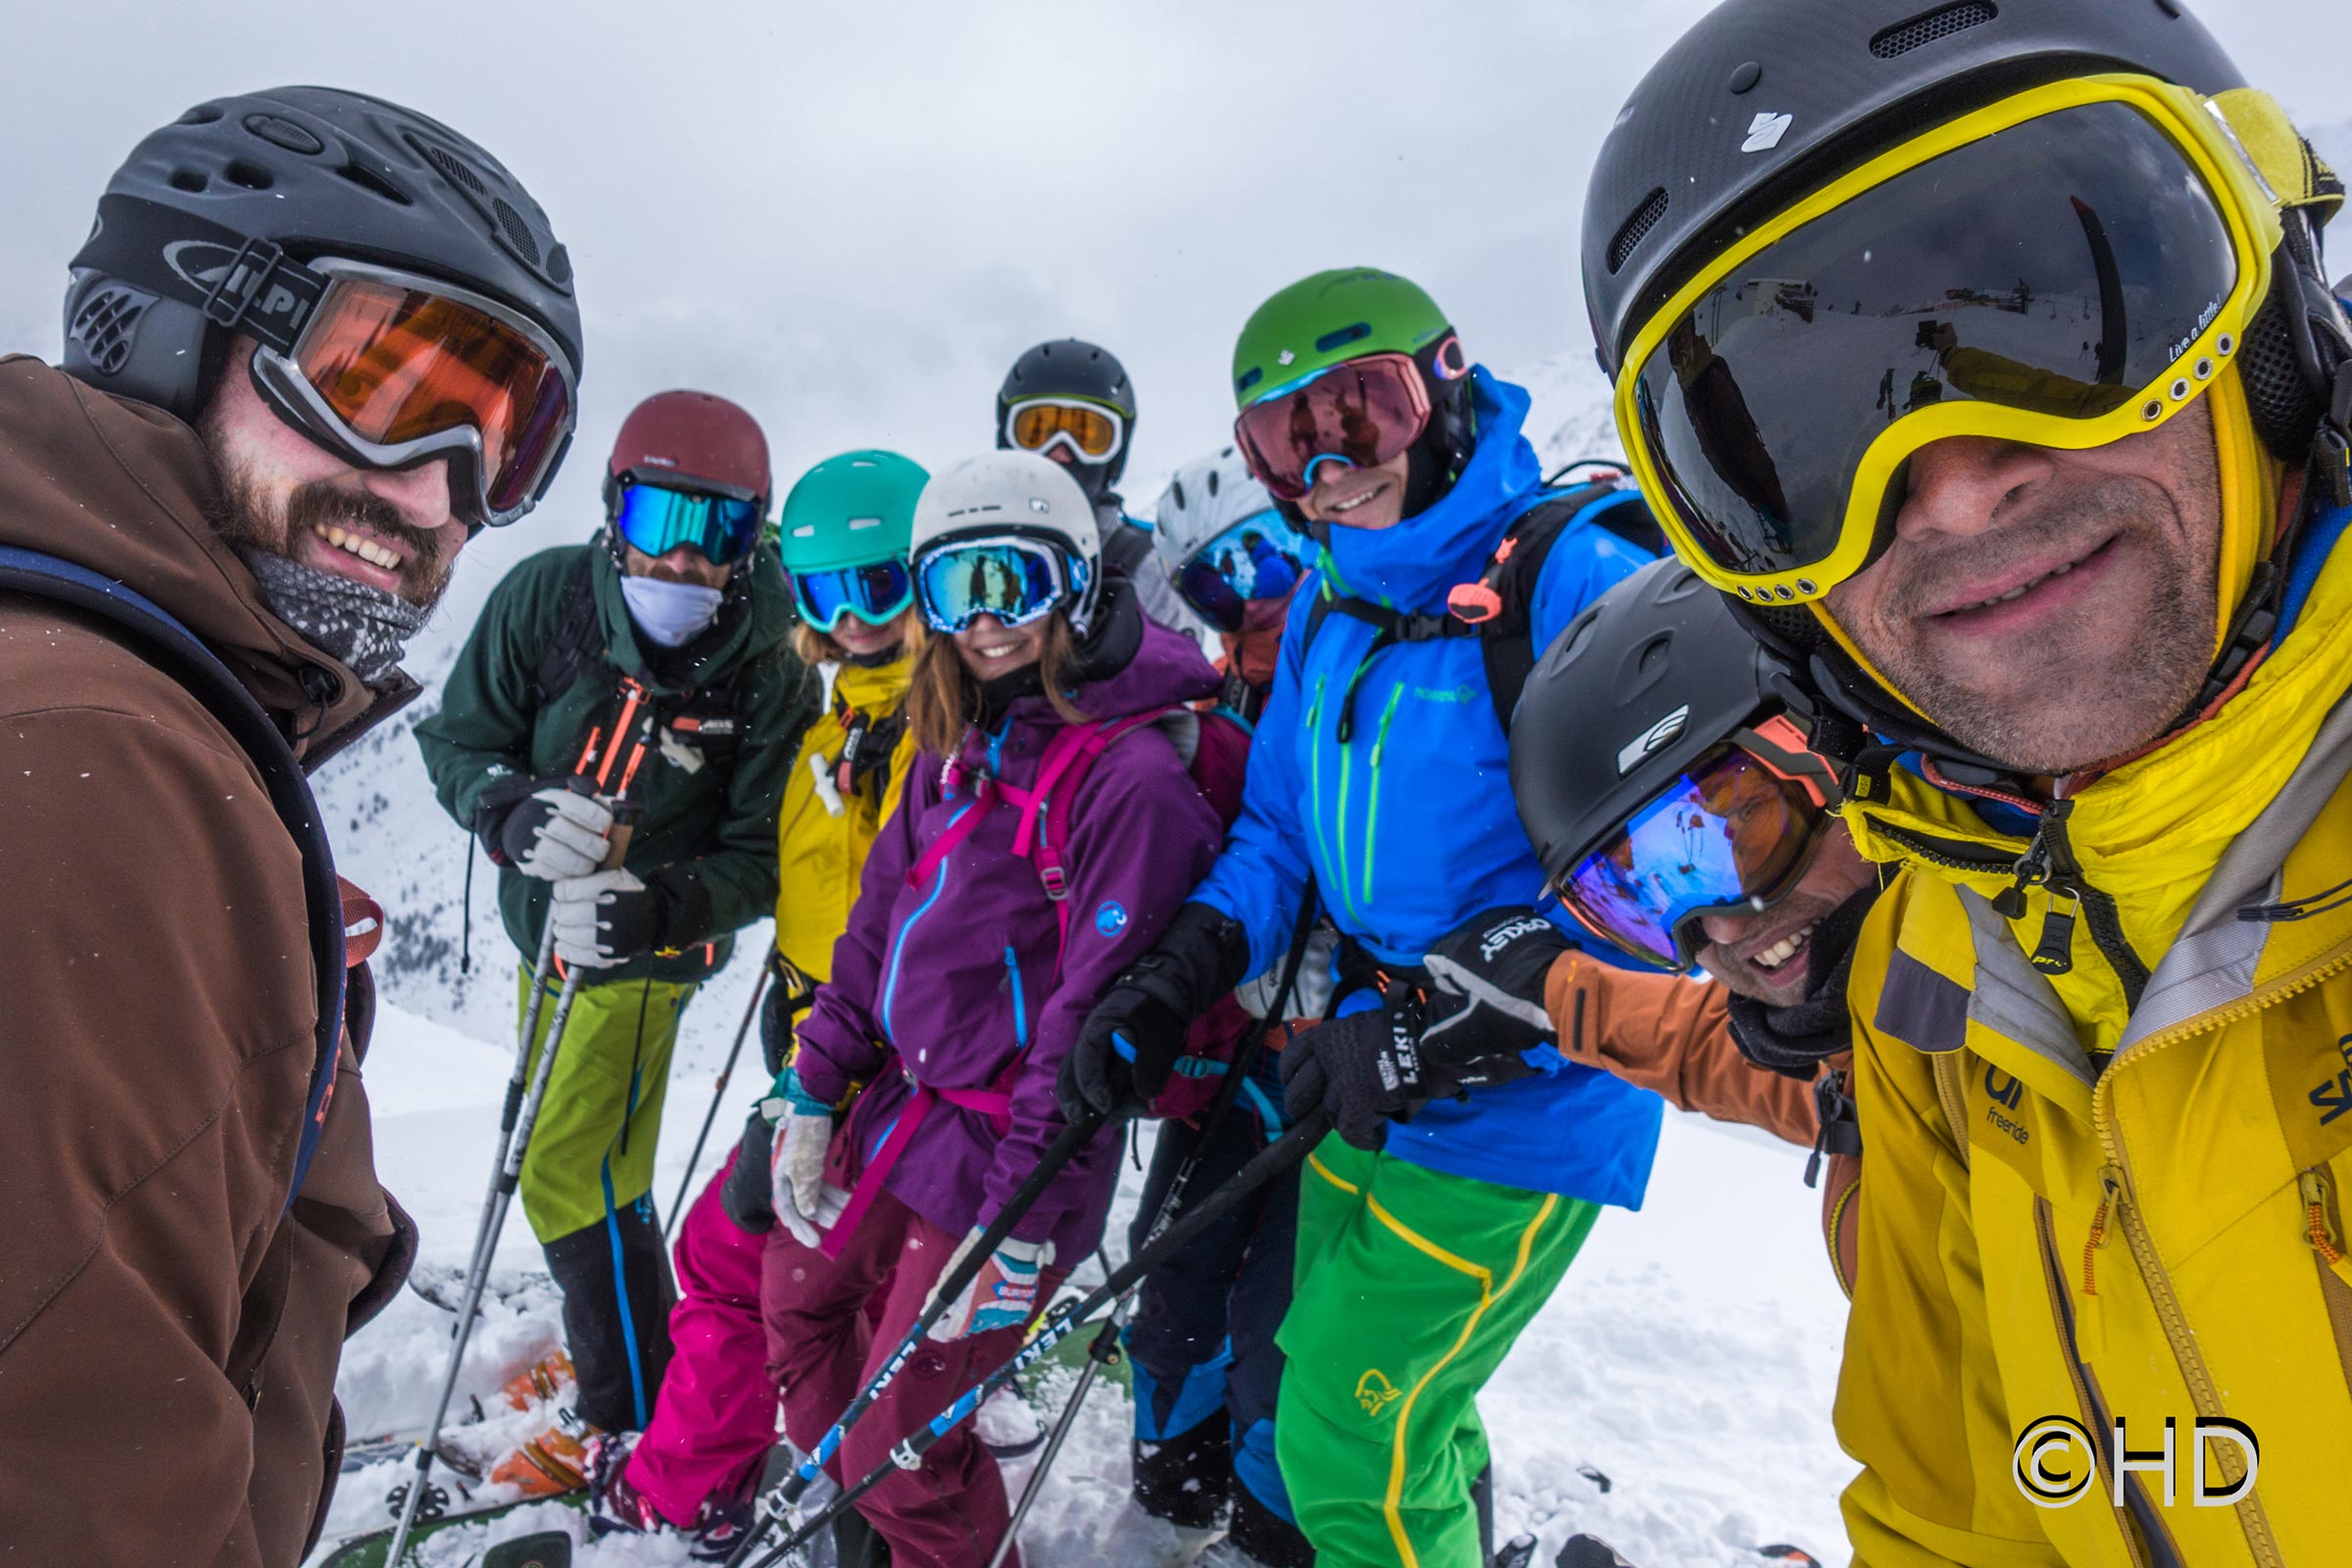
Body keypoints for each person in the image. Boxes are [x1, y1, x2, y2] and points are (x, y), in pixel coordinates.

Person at [1583, 1, 2352, 1558]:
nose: (1950, 482)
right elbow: (1950, 1509)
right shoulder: (1941, 965)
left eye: (2058, 320)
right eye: (1794, 440)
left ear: (2267, 326)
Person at [0, 86, 580, 1561]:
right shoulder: (99, 766)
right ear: (168, 326)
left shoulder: (124, 700)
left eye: (505, 442)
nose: (439, 489)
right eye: (386, 383)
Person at [1065, 268, 1660, 1568]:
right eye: (1285, 438)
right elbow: (1279, 831)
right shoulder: (1335, 606)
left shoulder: (1572, 579)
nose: (1327, 465)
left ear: (1443, 388)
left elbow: (1668, 883)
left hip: (1529, 1089)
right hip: (1364, 1057)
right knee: (1303, 1376)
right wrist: (1180, 970)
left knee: (1347, 1428)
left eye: (1361, 412)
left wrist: (1435, 1029)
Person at [760, 450, 1230, 1568]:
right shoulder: (953, 734)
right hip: (902, 1113)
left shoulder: (1130, 781)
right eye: (955, 588)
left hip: (1019, 1152)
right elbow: (874, 930)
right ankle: (888, 1526)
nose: (987, 620)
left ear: (1073, 581)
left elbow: (1084, 1023)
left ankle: (924, 1530)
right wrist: (814, 1086)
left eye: (1013, 580)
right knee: (797, 1312)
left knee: (905, 1438)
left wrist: (1016, 1222)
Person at [415, 389, 818, 1490]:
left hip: (645, 963)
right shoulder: (549, 603)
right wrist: (505, 808)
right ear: (613, 514)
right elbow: (458, 739)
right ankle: (639, 1362)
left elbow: (761, 855)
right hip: (540, 939)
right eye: (660, 525)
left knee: (557, 1173)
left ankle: (621, 1406)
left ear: (753, 538)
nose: (684, 564)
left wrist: (659, 903)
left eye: (718, 532)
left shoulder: (768, 662)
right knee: (602, 1166)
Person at [583, 450, 928, 1556]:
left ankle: (687, 1489)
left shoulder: (943, 743)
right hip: (825, 1058)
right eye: (829, 591)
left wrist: (817, 1090)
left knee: (731, 1264)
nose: (859, 618)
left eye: (884, 584)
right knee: (762, 1265)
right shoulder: (834, 735)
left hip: (881, 1076)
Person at [1091, 448, 1329, 1568]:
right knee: (1169, 1272)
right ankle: (1176, 1495)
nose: (1251, 593)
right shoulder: (1221, 699)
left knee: (1291, 1322)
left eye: (1261, 556)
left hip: (1358, 1061)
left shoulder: (1369, 659)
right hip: (1242, 1047)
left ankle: (1283, 1533)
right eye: (1215, 584)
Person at [997, 336, 1206, 643]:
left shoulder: (1145, 567)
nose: (1060, 453)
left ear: (1117, 452)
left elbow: (1180, 675)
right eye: (1037, 431)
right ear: (1007, 436)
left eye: (1088, 435)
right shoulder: (963, 550)